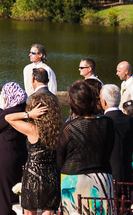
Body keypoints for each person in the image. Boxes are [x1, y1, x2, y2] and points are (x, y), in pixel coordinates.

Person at [57, 81, 115, 215]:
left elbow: (60, 160)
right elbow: (110, 149)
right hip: (101, 176)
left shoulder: (69, 127)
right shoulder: (108, 123)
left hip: (73, 179)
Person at [5, 92, 61, 215]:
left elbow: (8, 118)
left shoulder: (32, 130)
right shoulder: (60, 130)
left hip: (33, 177)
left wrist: (29, 114)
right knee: (49, 211)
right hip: (52, 177)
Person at [0, 82, 28, 215]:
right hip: (20, 156)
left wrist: (0, 109)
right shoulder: (24, 110)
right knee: (15, 191)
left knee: (2, 192)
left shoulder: (8, 113)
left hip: (5, 158)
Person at [100, 84, 133, 186]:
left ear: (104, 101)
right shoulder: (132, 121)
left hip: (108, 176)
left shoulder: (101, 122)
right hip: (127, 174)